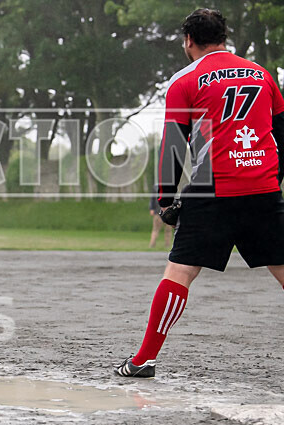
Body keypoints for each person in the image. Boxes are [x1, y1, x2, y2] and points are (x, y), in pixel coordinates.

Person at [115, 9, 284, 377]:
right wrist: (274, 180)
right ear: (224, 37)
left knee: (180, 271)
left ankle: (144, 359)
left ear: (188, 41)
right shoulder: (262, 75)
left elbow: (174, 146)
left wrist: (164, 199)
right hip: (263, 189)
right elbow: (280, 134)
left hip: (213, 191)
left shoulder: (185, 80)